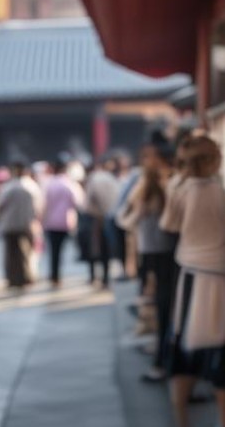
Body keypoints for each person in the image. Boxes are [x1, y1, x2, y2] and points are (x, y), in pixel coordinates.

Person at [160, 134, 225, 427]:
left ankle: (180, 418)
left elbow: (168, 224)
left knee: (183, 344)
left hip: (188, 272)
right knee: (221, 346)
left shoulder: (179, 187)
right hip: (217, 275)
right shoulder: (218, 192)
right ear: (212, 160)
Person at [117, 156, 174, 382]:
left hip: (149, 254)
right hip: (167, 253)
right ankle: (160, 350)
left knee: (153, 297)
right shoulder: (165, 195)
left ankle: (157, 349)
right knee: (162, 301)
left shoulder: (143, 197)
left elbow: (125, 220)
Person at [0, 162, 43, 289]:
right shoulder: (32, 186)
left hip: (10, 224)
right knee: (27, 252)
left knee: (11, 254)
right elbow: (40, 207)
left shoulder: (8, 187)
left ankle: (13, 279)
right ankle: (27, 277)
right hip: (28, 224)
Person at [40, 158, 85, 287]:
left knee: (53, 251)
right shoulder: (70, 184)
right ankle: (58, 275)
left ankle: (54, 275)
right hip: (66, 222)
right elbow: (79, 202)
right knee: (63, 250)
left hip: (50, 222)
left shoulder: (48, 183)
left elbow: (43, 204)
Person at [84, 157, 121, 288]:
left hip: (97, 218)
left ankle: (94, 276)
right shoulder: (112, 179)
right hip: (111, 216)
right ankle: (105, 277)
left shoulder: (94, 178)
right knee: (106, 248)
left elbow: (87, 204)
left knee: (94, 248)